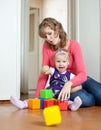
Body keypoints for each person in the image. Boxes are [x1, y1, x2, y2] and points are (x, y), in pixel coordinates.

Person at [11, 17, 101, 109]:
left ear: (57, 29)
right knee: (84, 99)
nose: (48, 38)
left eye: (49, 34)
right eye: (45, 36)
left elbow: (82, 74)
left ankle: (85, 90)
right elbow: (44, 75)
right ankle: (86, 94)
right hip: (64, 85)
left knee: (100, 94)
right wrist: (37, 98)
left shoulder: (74, 45)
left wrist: (69, 84)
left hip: (80, 80)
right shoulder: (46, 46)